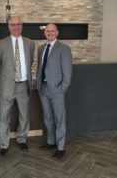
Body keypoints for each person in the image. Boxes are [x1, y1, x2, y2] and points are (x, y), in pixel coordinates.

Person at [0, 16, 35, 157]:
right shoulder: (1, 44)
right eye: (13, 24)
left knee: (24, 115)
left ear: (22, 25)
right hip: (7, 86)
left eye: (18, 24)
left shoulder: (30, 43)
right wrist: (7, 76)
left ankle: (22, 139)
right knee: (4, 115)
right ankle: (4, 144)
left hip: (24, 85)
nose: (16, 27)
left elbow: (30, 62)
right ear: (9, 26)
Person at [36, 23, 72, 159]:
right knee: (48, 117)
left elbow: (67, 73)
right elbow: (40, 68)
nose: (49, 33)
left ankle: (61, 147)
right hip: (43, 89)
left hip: (57, 90)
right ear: (44, 33)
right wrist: (38, 85)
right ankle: (51, 142)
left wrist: (62, 89)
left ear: (57, 33)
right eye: (47, 31)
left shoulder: (64, 49)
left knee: (59, 119)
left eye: (52, 31)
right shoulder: (41, 49)